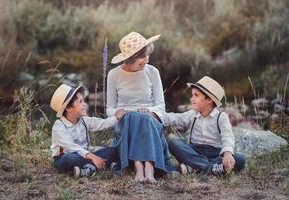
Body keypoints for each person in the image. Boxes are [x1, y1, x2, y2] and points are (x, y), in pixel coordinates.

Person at [107, 31, 175, 183]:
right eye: (142, 57)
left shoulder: (153, 72)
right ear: (130, 59)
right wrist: (118, 112)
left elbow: (160, 106)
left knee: (143, 119)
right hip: (126, 122)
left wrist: (151, 113)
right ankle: (142, 167)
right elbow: (109, 109)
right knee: (133, 117)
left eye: (147, 55)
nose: (146, 60)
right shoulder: (114, 75)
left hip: (150, 120)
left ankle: (146, 167)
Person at [161, 76, 245, 176]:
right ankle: (211, 168)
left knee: (240, 159)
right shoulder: (192, 114)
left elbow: (227, 136)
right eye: (192, 95)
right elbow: (173, 118)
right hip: (194, 152)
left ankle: (193, 168)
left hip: (215, 153)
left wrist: (227, 152)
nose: (192, 99)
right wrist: (154, 114)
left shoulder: (221, 117)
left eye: (196, 95)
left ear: (209, 100)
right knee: (172, 141)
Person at [50, 83, 120, 178]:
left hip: (85, 155)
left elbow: (102, 123)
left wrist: (117, 117)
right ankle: (100, 166)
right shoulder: (59, 127)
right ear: (69, 108)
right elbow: (71, 147)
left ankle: (88, 169)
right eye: (80, 101)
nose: (85, 104)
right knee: (69, 157)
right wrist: (93, 157)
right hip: (65, 157)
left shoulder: (84, 121)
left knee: (112, 151)